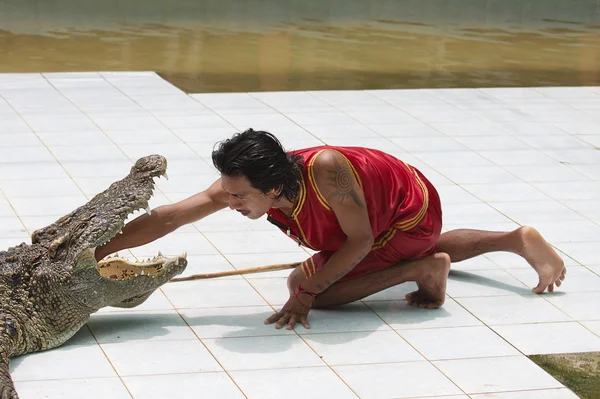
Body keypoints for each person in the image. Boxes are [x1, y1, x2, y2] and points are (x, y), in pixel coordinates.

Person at [95, 128, 566, 330]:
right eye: (228, 192)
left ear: (275, 185)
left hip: (406, 215)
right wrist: (97, 250)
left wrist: (305, 295)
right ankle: (513, 239)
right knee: (388, 250)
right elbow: (170, 217)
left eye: (239, 197)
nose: (229, 202)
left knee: (305, 282)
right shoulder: (251, 182)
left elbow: (361, 241)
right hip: (387, 215)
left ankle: (422, 268)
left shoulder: (327, 172)